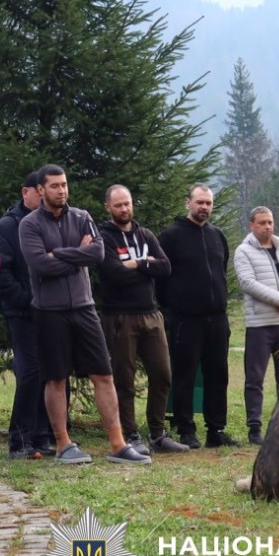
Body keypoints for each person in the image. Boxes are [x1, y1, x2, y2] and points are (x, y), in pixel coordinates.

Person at [18, 165, 150, 466]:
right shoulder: (29, 225)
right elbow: (40, 266)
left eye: (64, 185)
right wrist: (77, 253)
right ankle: (64, 444)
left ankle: (118, 444)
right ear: (41, 190)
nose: (61, 190)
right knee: (56, 378)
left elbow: (98, 254)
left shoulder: (82, 217)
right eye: (54, 186)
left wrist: (60, 254)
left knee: (103, 374)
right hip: (49, 311)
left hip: (84, 307)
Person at [97, 184, 188, 455]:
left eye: (127, 203)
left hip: (151, 315)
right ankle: (131, 435)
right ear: (108, 208)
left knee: (162, 374)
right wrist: (146, 265)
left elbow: (166, 267)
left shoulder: (145, 234)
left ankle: (158, 435)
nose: (124, 209)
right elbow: (113, 273)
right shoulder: (104, 238)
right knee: (124, 378)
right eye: (118, 205)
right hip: (120, 317)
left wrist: (136, 264)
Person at [158, 184, 236, 449]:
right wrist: (171, 310)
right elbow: (161, 278)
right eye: (200, 202)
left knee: (218, 375)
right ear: (188, 203)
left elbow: (221, 269)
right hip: (185, 319)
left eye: (208, 203)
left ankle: (216, 430)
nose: (204, 207)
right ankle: (186, 429)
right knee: (185, 375)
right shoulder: (171, 236)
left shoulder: (217, 236)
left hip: (216, 318)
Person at [0, 172, 55, 459]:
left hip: (51, 311)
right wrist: (27, 300)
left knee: (48, 372)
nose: (43, 195)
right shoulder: (6, 227)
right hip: (22, 311)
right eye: (38, 190)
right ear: (25, 191)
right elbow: (1, 273)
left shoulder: (51, 223)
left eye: (46, 190)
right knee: (29, 372)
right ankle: (19, 438)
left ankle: (41, 437)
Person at [233, 206, 279, 446]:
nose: (267, 226)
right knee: (255, 378)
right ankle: (254, 428)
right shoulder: (243, 251)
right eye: (262, 223)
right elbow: (248, 283)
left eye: (270, 222)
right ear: (252, 225)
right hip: (260, 324)